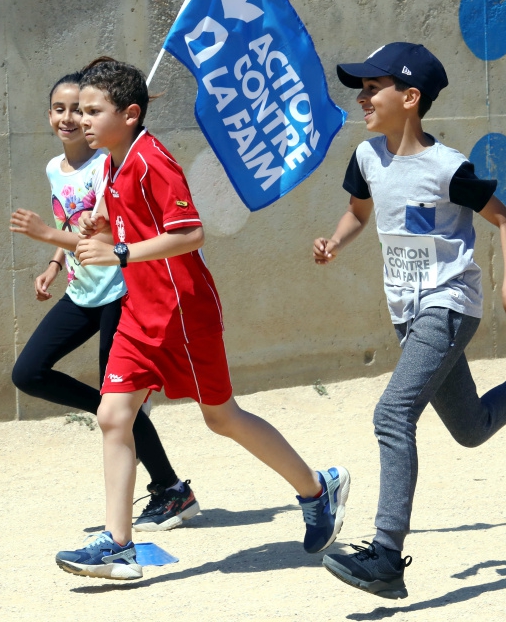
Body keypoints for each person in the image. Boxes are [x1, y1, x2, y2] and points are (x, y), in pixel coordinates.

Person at [314, 42, 506, 600]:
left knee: (393, 414)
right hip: (406, 311)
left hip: (447, 306)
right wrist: (335, 243)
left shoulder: (448, 168)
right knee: (470, 428)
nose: (363, 96)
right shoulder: (368, 158)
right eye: (362, 87)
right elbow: (359, 211)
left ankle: (386, 557)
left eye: (375, 87)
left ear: (411, 97)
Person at [53, 58, 350, 581]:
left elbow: (190, 234)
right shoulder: (117, 163)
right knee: (112, 416)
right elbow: (133, 228)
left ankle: (316, 488)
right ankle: (118, 545)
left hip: (182, 313)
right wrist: (104, 228)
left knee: (221, 417)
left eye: (93, 111)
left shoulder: (152, 160)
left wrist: (120, 251)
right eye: (79, 110)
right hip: (138, 313)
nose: (82, 120)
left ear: (130, 114)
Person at [9, 69, 200, 535]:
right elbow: (75, 223)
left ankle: (171, 488)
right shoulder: (56, 168)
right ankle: (114, 410)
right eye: (61, 108)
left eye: (83, 109)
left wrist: (48, 235)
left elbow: (112, 232)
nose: (71, 117)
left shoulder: (110, 162)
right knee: (28, 373)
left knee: (119, 404)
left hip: (119, 291)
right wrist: (55, 261)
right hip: (82, 290)